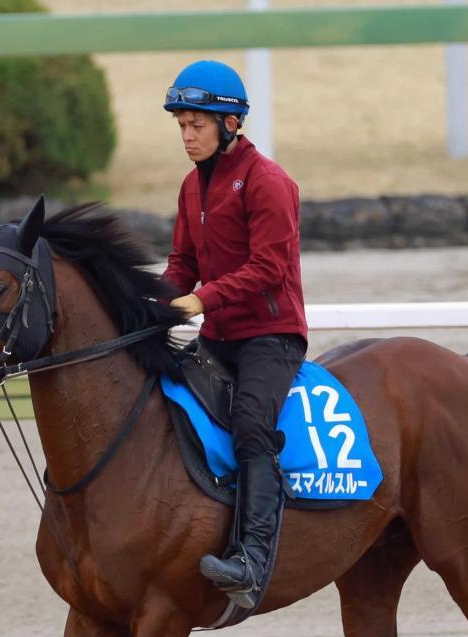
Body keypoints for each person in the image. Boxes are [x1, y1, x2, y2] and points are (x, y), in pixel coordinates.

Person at [162, 59, 308, 608]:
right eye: (181, 125)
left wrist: (201, 299)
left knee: (250, 422)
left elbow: (269, 268)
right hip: (219, 334)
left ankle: (251, 558)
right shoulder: (191, 186)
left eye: (196, 124)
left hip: (272, 335)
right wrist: (152, 304)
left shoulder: (269, 182)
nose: (187, 135)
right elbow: (181, 262)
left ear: (229, 124)